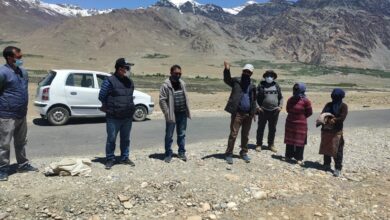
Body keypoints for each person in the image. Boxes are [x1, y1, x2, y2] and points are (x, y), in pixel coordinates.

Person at [0, 46, 38, 181]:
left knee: (21, 141)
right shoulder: (2, 72)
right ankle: (2, 169)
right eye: (19, 57)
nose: (21, 59)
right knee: (4, 143)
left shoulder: (23, 72)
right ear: (10, 58)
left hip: (21, 113)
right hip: (6, 114)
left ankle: (23, 164)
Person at [99, 58, 136, 170]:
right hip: (113, 117)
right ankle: (110, 159)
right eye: (127, 68)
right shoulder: (109, 81)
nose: (128, 70)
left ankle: (124, 157)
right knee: (111, 139)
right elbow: (101, 96)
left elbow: (129, 96)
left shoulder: (129, 81)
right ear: (120, 68)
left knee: (126, 139)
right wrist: (109, 107)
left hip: (127, 117)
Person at [223, 61, 257, 164]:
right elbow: (227, 79)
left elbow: (254, 99)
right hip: (237, 113)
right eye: (245, 71)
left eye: (249, 72)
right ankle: (229, 154)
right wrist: (227, 69)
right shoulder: (236, 81)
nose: (246, 73)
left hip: (248, 114)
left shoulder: (252, 85)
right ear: (243, 71)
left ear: (251, 73)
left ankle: (243, 153)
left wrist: (253, 112)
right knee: (233, 134)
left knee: (245, 135)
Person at [159, 65, 191, 163]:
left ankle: (181, 152)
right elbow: (162, 100)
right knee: (169, 135)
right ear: (171, 73)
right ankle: (168, 153)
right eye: (176, 73)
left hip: (182, 113)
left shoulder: (182, 83)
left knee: (182, 134)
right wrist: (167, 113)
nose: (178, 75)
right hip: (171, 114)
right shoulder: (166, 85)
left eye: (179, 73)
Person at [319, 89, 348, 177]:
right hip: (326, 130)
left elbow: (342, 117)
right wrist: (327, 119)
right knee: (326, 147)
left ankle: (338, 168)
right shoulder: (328, 104)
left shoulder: (343, 106)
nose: (333, 97)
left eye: (335, 96)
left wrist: (334, 119)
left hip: (336, 132)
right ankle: (327, 164)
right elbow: (323, 114)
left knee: (338, 150)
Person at [284, 83, 313, 165]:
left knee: (300, 141)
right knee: (290, 140)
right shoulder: (291, 99)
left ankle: (299, 158)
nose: (295, 91)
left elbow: (309, 112)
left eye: (297, 89)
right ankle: (288, 156)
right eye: (295, 89)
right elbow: (288, 109)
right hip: (290, 122)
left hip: (301, 124)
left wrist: (301, 118)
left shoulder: (306, 101)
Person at [256, 70, 283, 153]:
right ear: (265, 77)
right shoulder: (261, 85)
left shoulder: (276, 85)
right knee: (261, 128)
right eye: (267, 75)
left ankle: (271, 144)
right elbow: (255, 97)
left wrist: (280, 106)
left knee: (272, 129)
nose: (269, 77)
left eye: (271, 76)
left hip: (274, 111)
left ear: (274, 77)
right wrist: (258, 107)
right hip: (263, 110)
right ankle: (259, 144)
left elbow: (281, 97)